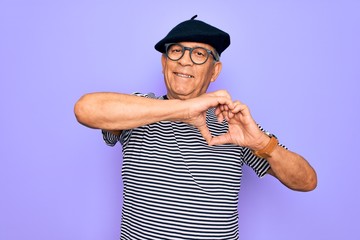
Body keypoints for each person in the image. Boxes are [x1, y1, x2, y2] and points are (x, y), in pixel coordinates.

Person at [74, 15, 317, 240]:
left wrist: (263, 144)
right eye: (176, 51)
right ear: (164, 62)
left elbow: (306, 181)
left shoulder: (233, 123)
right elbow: (85, 109)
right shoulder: (138, 110)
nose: (185, 62)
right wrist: (183, 109)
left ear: (215, 71)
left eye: (199, 54)